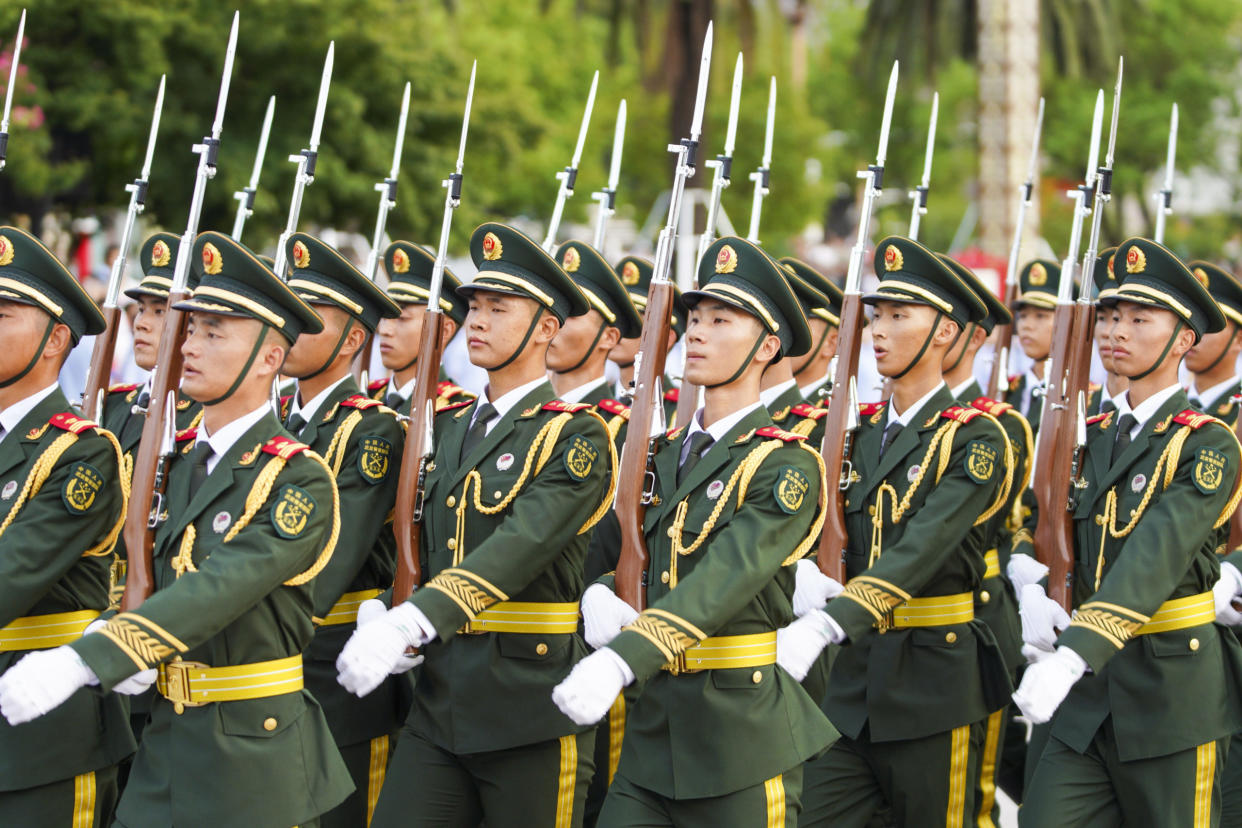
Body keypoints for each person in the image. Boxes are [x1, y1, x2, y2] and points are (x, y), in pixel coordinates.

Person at [0, 230, 355, 827]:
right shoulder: (178, 462)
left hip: (253, 762)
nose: (189, 345)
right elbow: (155, 580)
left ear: (270, 357)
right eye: (191, 329)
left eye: (215, 333)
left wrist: (91, 656)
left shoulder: (297, 478)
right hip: (166, 746)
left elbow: (218, 587)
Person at [336, 223, 615, 828]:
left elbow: (519, 546)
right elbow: (437, 549)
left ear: (546, 327)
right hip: (440, 703)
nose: (477, 321)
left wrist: (415, 616)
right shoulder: (455, 427)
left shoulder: (575, 434)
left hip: (532, 707)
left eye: (498, 307)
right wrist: (389, 606)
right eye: (474, 307)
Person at [552, 235, 837, 826]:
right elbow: (618, 556)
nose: (698, 333)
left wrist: (620, 660)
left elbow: (724, 579)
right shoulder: (657, 453)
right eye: (695, 318)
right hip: (653, 735)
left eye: (722, 319)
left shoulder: (786, 463)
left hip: (740, 742)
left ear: (768, 345)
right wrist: (599, 592)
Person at [778, 236, 1012, 827]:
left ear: (944, 333)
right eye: (877, 315)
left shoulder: (976, 438)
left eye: (899, 316)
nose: (878, 329)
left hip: (934, 685)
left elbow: (922, 548)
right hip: (854, 685)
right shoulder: (853, 432)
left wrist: (832, 620)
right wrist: (798, 572)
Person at [1017, 237, 1242, 827]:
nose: (1117, 329)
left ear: (1184, 340)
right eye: (1111, 315)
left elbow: (1154, 556)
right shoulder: (1083, 430)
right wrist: (1027, 583)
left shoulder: (1205, 442)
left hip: (1168, 696)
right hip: (1086, 704)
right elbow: (1034, 518)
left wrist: (1071, 657)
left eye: (1140, 318)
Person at [0, 227, 135, 826]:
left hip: (43, 737)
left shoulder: (82, 453)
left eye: (2, 314)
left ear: (56, 340)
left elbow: (13, 572)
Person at [279, 232, 409, 827]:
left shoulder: (373, 430)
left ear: (353, 339)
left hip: (336, 667)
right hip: (266, 664)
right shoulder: (273, 418)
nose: (289, 325)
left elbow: (331, 556)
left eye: (310, 317)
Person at [370, 241, 473, 416]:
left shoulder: (457, 414)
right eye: (386, 317)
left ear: (444, 330)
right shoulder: (368, 396)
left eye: (402, 318)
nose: (386, 330)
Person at [548, 240, 642, 408]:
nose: (553, 322)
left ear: (609, 337)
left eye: (572, 314)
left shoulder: (615, 428)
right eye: (552, 309)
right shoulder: (522, 412)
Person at [607, 255, 687, 418]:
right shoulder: (595, 403)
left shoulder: (678, 412)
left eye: (632, 320)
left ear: (668, 338)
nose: (618, 328)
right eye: (616, 317)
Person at [1007, 259, 1067, 433]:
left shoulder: (1081, 398)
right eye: (1023, 316)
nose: (1027, 325)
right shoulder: (1008, 389)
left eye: (1040, 316)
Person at [1185, 261, 1242, 425]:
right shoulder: (1167, 406)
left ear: (1239, 339)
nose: (1193, 335)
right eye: (1189, 323)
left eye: (1209, 326)